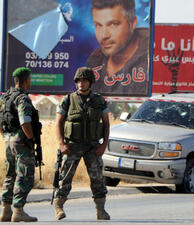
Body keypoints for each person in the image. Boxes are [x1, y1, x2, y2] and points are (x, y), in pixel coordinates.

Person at [54, 67, 110, 220]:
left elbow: (106, 123)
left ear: (90, 82)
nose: (81, 83)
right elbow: (58, 122)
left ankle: (101, 210)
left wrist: (104, 144)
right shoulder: (67, 100)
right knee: (65, 178)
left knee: (97, 178)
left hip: (92, 146)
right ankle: (58, 206)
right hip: (72, 146)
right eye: (79, 80)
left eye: (84, 80)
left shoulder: (99, 100)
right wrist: (61, 144)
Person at [0, 67, 40, 222]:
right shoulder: (22, 98)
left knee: (10, 174)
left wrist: (6, 137)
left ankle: (6, 210)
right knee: (24, 175)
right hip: (21, 141)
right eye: (29, 78)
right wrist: (31, 139)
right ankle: (18, 210)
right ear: (25, 80)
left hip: (8, 140)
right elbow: (25, 121)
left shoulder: (5, 97)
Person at [86, 0, 149, 96]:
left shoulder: (150, 58)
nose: (104, 35)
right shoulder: (94, 62)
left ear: (132, 23)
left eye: (113, 24)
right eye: (98, 25)